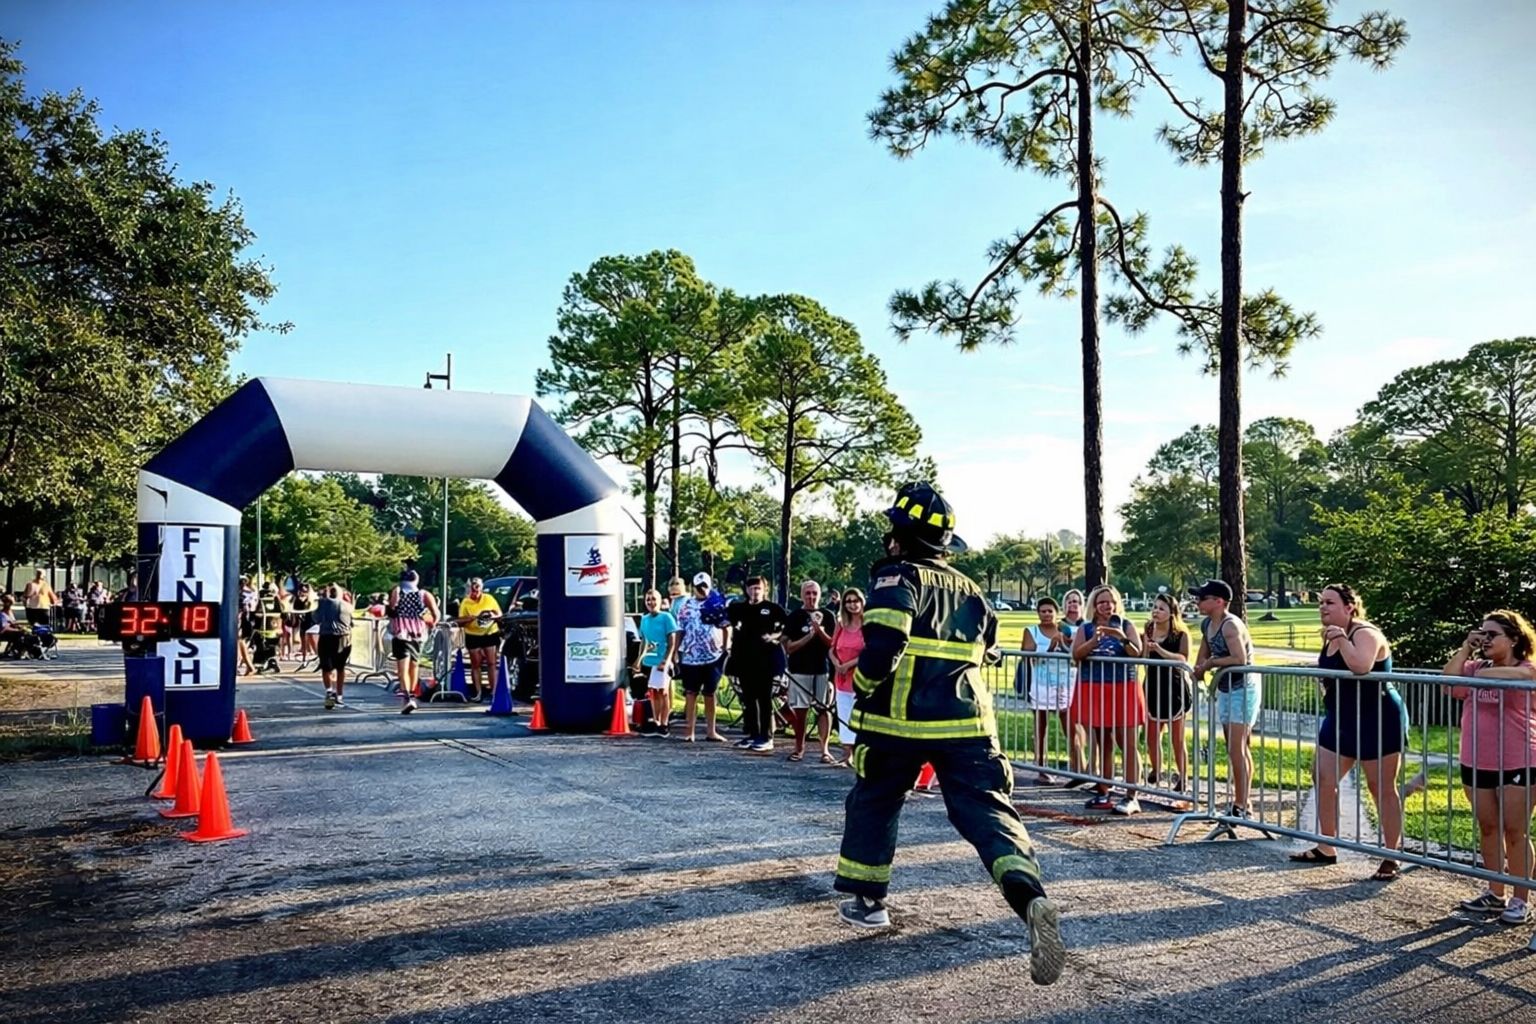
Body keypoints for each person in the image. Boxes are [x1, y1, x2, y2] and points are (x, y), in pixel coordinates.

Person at [834, 482, 1064, 987]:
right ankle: (1029, 895)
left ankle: (869, 903)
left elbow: (887, 641)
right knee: (985, 809)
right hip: (969, 724)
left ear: (899, 536)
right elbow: (989, 651)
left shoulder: (896, 576)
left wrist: (864, 683)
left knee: (876, 799)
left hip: (897, 723)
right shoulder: (972, 590)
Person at [1289, 584, 1406, 880]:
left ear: (1349, 606)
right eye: (1320, 603)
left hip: (1376, 717)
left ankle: (1392, 854)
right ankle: (1326, 846)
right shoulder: (1329, 634)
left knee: (1380, 787)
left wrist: (1341, 639)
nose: (1323, 608)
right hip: (1340, 717)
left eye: (1329, 602)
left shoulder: (1364, 633)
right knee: (1324, 777)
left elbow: (1360, 666)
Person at [1443, 610, 1536, 925]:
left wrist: (1482, 674)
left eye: (1492, 634)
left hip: (1518, 759)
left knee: (1515, 830)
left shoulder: (1526, 667)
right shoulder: (1475, 666)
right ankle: (1495, 893)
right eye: (1481, 633)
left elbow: (1528, 677)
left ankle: (1521, 898)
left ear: (1513, 639)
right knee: (1488, 827)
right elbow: (1448, 683)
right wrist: (1466, 649)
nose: (1484, 639)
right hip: (1476, 759)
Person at [1071, 584, 1145, 815]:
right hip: (1095, 687)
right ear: (1094, 604)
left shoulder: (1125, 624)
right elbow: (1076, 654)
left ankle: (1131, 795)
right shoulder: (1086, 627)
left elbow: (1137, 652)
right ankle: (1104, 789)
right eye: (1101, 601)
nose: (1106, 605)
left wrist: (1121, 638)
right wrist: (1094, 641)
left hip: (1124, 687)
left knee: (1128, 742)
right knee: (1103, 741)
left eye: (1110, 601)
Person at [1190, 579, 1258, 817]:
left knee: (1237, 747)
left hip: (1244, 688)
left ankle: (1241, 804)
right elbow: (1203, 653)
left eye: (1203, 598)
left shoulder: (1231, 626)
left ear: (1218, 601)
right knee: (1234, 746)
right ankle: (1242, 801)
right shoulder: (1207, 623)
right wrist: (1198, 669)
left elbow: (1239, 659)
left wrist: (1210, 664)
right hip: (1226, 688)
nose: (1197, 601)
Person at [1021, 596, 1082, 785]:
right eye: (1042, 611)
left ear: (1056, 613)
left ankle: (1078, 766)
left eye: (1050, 611)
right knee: (1041, 726)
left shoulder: (1067, 630)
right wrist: (1050, 647)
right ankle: (1041, 767)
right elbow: (1027, 655)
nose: (1046, 615)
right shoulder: (1031, 631)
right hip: (1041, 683)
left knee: (1070, 725)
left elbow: (1076, 653)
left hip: (1066, 683)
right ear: (1037, 613)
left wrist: (1064, 643)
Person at [725, 576, 787, 753]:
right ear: (746, 590)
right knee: (748, 699)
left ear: (764, 589)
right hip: (743, 661)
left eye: (758, 588)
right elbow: (724, 622)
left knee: (764, 699)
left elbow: (786, 629)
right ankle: (753, 733)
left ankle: (766, 736)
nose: (755, 591)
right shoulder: (738, 608)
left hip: (765, 662)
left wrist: (773, 637)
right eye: (751, 588)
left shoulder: (774, 609)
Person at [1142, 593, 1193, 797]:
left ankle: (1183, 776)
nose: (1156, 611)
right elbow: (1143, 657)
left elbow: (1183, 659)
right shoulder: (1148, 628)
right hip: (1152, 686)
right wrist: (1146, 648)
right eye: (1154, 607)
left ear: (1171, 613)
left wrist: (1160, 651)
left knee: (1177, 738)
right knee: (1151, 735)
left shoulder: (1180, 634)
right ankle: (1157, 769)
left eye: (1161, 608)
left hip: (1174, 688)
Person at [783, 579, 837, 764]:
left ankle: (825, 750)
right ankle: (799, 749)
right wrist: (809, 635)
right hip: (799, 670)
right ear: (801, 595)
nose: (811, 597)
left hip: (822, 669)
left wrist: (819, 631)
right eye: (808, 593)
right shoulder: (795, 616)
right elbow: (789, 647)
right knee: (800, 712)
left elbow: (833, 644)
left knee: (824, 709)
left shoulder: (828, 615)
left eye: (814, 593)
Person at [672, 573, 728, 742]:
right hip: (691, 656)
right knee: (691, 693)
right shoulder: (686, 606)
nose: (702, 590)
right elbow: (680, 630)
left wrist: (726, 648)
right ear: (693, 587)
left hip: (712, 656)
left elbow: (726, 626)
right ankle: (690, 731)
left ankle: (711, 731)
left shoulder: (717, 604)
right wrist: (675, 652)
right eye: (698, 587)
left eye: (704, 587)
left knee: (710, 693)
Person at [389, 569, 440, 714]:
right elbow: (436, 613)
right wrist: (431, 623)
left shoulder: (398, 591)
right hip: (418, 634)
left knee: (402, 668)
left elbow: (392, 608)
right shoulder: (424, 594)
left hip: (401, 633)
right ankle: (412, 694)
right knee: (414, 665)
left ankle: (407, 697)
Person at [634, 588, 680, 738]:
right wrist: (639, 660)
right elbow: (644, 641)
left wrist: (666, 661)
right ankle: (656, 721)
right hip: (650, 660)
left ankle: (664, 723)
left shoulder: (666, 617)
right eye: (648, 600)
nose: (651, 602)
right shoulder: (645, 619)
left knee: (663, 691)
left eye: (653, 599)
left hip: (662, 660)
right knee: (653, 692)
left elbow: (672, 641)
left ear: (659, 601)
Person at [828, 586, 865, 768]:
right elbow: (831, 648)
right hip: (841, 678)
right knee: (844, 714)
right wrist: (836, 663)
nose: (852, 605)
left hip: (859, 678)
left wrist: (848, 665)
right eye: (848, 601)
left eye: (855, 601)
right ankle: (846, 754)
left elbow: (868, 651)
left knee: (858, 716)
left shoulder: (868, 625)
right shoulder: (841, 624)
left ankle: (860, 753)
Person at [454, 577, 503, 703]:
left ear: (481, 588)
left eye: (477, 589)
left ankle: (494, 692)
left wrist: (493, 616)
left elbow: (499, 614)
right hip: (473, 635)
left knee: (492, 663)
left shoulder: (489, 598)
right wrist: (468, 619)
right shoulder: (465, 602)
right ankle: (478, 692)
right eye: (473, 590)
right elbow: (459, 621)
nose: (475, 593)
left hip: (489, 633)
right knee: (476, 664)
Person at [315, 584, 354, 709]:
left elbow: (316, 619)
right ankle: (340, 696)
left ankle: (329, 691)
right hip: (344, 638)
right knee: (340, 668)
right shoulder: (348, 606)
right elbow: (351, 623)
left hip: (326, 636)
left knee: (326, 667)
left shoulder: (322, 604)